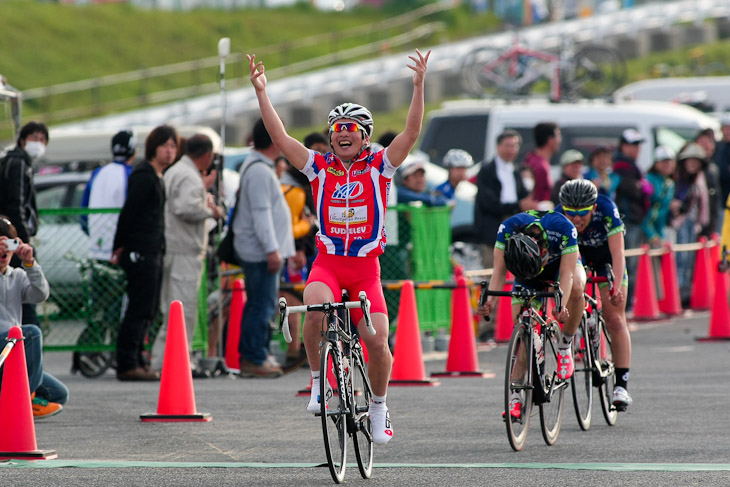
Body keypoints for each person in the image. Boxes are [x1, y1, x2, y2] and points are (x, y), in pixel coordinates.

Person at [247, 47, 431, 444]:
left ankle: (379, 407)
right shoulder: (318, 167)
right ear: (330, 137)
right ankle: (318, 383)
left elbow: (411, 133)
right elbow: (280, 138)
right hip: (327, 264)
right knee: (314, 312)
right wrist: (262, 92)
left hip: (366, 269)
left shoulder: (380, 164)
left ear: (363, 137)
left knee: (378, 341)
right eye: (337, 128)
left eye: (351, 128)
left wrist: (418, 85)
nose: (343, 132)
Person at [477, 209, 585, 419]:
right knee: (524, 334)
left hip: (558, 268)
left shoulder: (563, 228)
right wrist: (490, 301)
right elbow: (498, 272)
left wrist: (560, 305)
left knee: (578, 287)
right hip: (524, 273)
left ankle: (565, 345)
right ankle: (515, 397)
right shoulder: (507, 229)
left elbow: (567, 274)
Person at [556, 179, 633, 411]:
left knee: (615, 319)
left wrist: (616, 287)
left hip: (605, 259)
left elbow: (618, 254)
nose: (576, 219)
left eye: (582, 213)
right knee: (574, 289)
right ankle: (578, 328)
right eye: (571, 213)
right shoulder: (559, 216)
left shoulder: (607, 210)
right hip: (577, 256)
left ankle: (621, 386)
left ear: (594, 208)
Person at [150, 134, 222, 377]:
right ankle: (175, 363)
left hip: (173, 247)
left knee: (172, 309)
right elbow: (185, 207)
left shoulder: (176, 170)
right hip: (184, 250)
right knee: (183, 310)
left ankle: (164, 361)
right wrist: (210, 211)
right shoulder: (189, 175)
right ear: (206, 155)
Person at [111, 125, 178, 381]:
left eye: (173, 146)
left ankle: (138, 358)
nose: (170, 151)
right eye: (165, 146)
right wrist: (119, 245)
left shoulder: (156, 175)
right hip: (141, 250)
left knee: (149, 308)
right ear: (153, 148)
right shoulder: (144, 175)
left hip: (153, 249)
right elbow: (129, 212)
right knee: (139, 307)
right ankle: (128, 362)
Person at [231, 118, 294, 378]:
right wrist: (272, 249)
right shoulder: (259, 171)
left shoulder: (261, 167)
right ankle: (254, 357)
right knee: (262, 305)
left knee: (262, 303)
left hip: (261, 250)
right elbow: (261, 213)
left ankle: (257, 354)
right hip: (260, 252)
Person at [74, 129, 136, 374]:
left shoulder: (98, 173)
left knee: (96, 307)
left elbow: (83, 215)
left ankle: (90, 353)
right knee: (117, 307)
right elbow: (132, 215)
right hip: (118, 253)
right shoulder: (131, 175)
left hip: (97, 251)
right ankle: (114, 354)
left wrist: (95, 239)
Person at [0, 217, 68, 418]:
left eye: (9, 244)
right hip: (4, 346)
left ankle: (19, 397)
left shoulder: (17, 276)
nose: (4, 251)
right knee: (31, 333)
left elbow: (41, 295)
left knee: (58, 393)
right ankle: (23, 400)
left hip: (11, 352)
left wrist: (30, 264)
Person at [0, 121, 49, 327]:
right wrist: (21, 242)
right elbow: (16, 203)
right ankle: (27, 347)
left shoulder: (15, 162)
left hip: (11, 233)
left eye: (42, 140)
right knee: (27, 311)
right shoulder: (19, 163)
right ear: (22, 140)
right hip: (13, 234)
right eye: (33, 138)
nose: (38, 143)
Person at [474, 130, 538, 268]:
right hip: (493, 226)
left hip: (514, 224)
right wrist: (518, 205)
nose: (511, 149)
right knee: (492, 267)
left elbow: (523, 194)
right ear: (498, 147)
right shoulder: (487, 170)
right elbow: (488, 203)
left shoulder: (515, 170)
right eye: (507, 145)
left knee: (514, 266)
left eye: (514, 146)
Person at [612, 128, 651, 306]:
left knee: (630, 263)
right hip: (625, 221)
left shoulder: (633, 167)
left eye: (638, 145)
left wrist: (641, 186)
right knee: (626, 263)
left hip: (633, 220)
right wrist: (641, 186)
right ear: (623, 146)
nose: (636, 149)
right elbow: (632, 190)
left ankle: (626, 302)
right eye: (632, 144)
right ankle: (624, 303)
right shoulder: (621, 166)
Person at [671, 142, 710, 304]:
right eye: (690, 160)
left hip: (693, 223)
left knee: (688, 260)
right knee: (679, 258)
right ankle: (678, 293)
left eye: (696, 161)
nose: (693, 164)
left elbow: (704, 204)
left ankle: (686, 292)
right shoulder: (677, 180)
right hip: (678, 224)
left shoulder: (699, 180)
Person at [642, 146, 676, 248]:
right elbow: (646, 211)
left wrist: (660, 236)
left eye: (670, 161)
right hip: (644, 230)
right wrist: (652, 235)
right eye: (664, 161)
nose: (668, 165)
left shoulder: (670, 183)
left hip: (659, 232)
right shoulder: (648, 180)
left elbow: (663, 212)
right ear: (656, 163)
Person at [521, 121, 561, 202]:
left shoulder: (530, 157)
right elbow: (536, 199)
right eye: (558, 136)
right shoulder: (540, 166)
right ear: (550, 140)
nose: (560, 140)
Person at [694, 128, 722, 236]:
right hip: (696, 219)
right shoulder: (692, 167)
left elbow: (716, 198)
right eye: (702, 143)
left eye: (708, 143)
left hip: (711, 218)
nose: (705, 147)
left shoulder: (713, 168)